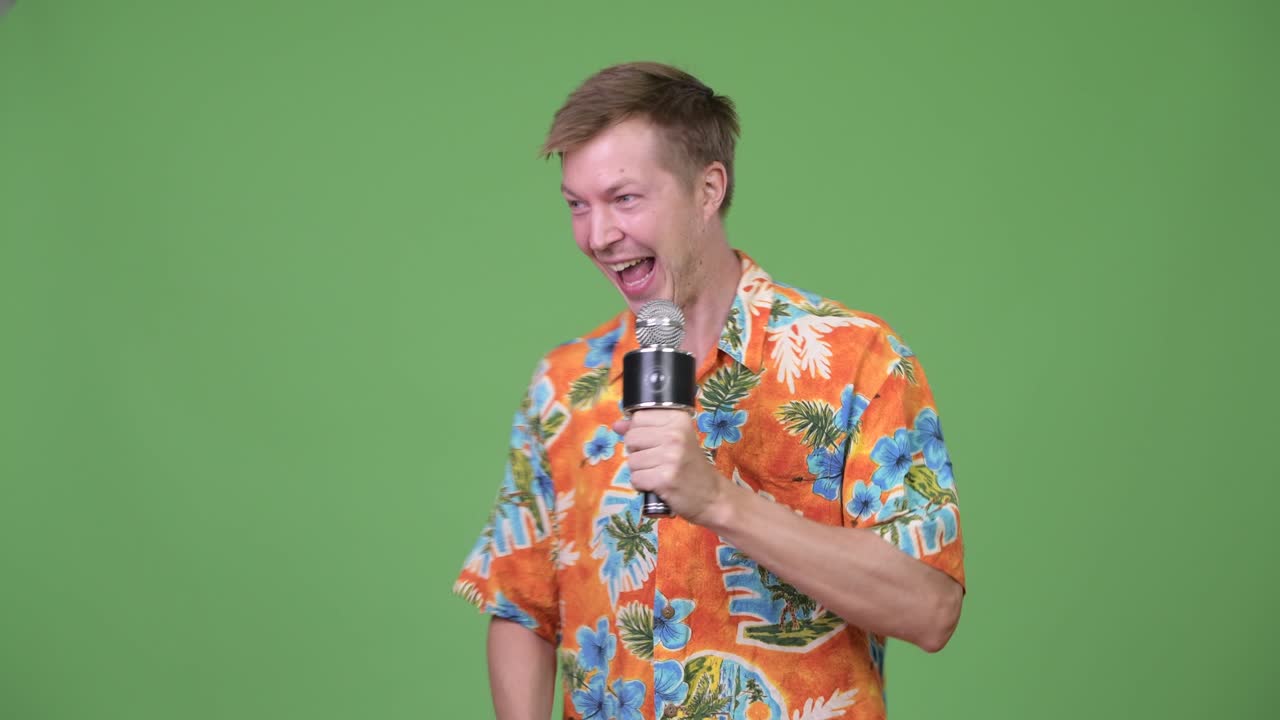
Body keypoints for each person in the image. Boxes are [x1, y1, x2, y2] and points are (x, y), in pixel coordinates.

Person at [453, 62, 965, 720]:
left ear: (708, 189)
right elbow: (521, 606)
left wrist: (720, 502)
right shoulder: (564, 385)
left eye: (624, 199)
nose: (597, 235)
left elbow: (930, 610)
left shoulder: (858, 359)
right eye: (577, 205)